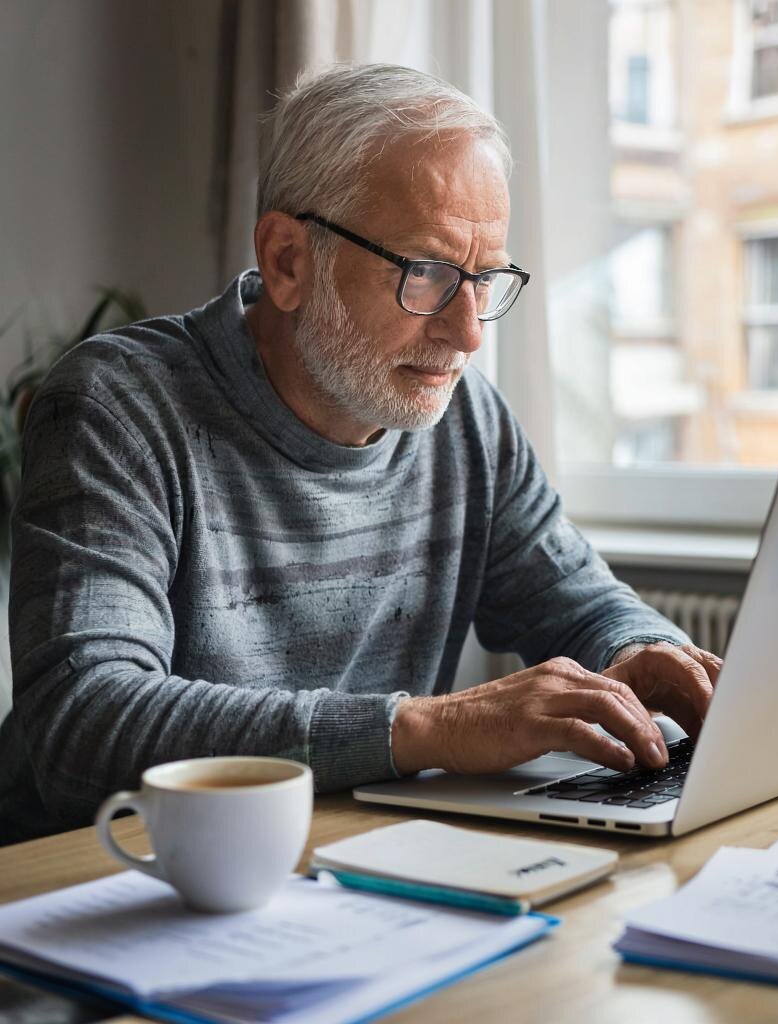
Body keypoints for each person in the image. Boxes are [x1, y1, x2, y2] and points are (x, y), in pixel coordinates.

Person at [0, 63, 720, 845]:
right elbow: (82, 724)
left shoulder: (465, 419)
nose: (468, 332)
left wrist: (645, 652)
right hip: (102, 877)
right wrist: (426, 729)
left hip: (342, 862)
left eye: (482, 279)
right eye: (428, 273)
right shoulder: (119, 405)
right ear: (287, 261)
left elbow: (579, 602)